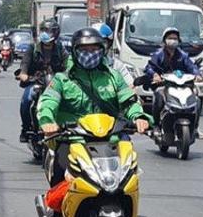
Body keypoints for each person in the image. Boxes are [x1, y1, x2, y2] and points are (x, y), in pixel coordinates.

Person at [37, 27, 151, 186]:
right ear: (75, 52)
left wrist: (139, 117)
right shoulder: (62, 79)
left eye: (94, 49)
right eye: (84, 49)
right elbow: (48, 102)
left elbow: (129, 102)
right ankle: (56, 210)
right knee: (61, 175)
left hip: (111, 138)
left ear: (102, 50)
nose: (90, 53)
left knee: (130, 174)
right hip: (72, 139)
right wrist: (47, 121)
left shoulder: (114, 77)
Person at [144, 28, 202, 125]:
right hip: (164, 84)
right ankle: (156, 125)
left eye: (175, 38)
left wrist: (197, 75)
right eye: (170, 38)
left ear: (178, 41)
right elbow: (149, 67)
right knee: (158, 95)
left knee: (196, 99)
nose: (173, 40)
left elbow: (192, 67)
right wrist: (155, 75)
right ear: (164, 40)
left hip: (182, 85)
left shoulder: (183, 55)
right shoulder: (158, 55)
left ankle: (195, 127)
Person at [18, 30, 68, 142]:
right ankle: (25, 129)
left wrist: (70, 73)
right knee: (26, 100)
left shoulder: (60, 48)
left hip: (56, 82)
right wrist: (24, 73)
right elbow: (25, 62)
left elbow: (68, 63)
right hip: (37, 81)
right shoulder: (33, 48)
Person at [94, 22, 135, 87]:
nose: (96, 47)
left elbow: (130, 85)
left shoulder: (116, 65)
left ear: (109, 43)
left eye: (102, 43)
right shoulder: (77, 66)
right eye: (92, 43)